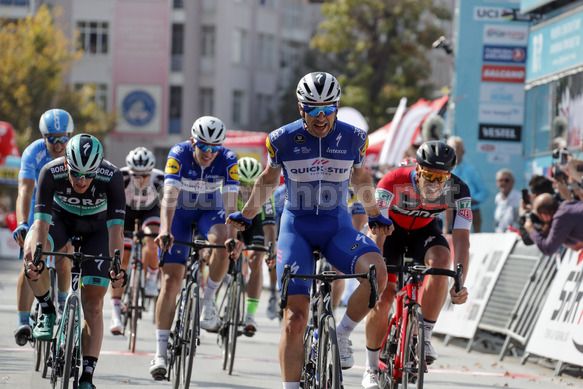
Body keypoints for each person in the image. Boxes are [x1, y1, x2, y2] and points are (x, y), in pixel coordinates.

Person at [227, 71, 392, 389]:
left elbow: (360, 178)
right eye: (313, 109)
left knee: (377, 274)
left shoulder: (354, 137)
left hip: (336, 226)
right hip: (297, 228)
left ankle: (342, 334)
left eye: (328, 109)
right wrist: (246, 216)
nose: (321, 117)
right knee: (295, 319)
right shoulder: (281, 139)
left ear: (337, 107)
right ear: (301, 108)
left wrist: (374, 214)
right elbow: (267, 181)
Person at [362, 141, 470, 388]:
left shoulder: (459, 189)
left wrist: (460, 280)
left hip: (424, 233)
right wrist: (376, 273)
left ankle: (425, 337)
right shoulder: (393, 180)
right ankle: (370, 368)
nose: (434, 183)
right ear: (418, 170)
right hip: (390, 233)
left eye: (441, 178)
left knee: (442, 262)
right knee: (385, 295)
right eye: (429, 176)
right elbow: (377, 233)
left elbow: (462, 239)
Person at [22, 134, 126, 389]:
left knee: (94, 305)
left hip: (98, 229)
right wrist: (36, 256)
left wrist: (117, 265)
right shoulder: (50, 171)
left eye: (88, 175)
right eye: (76, 173)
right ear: (66, 164)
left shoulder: (111, 177)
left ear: (97, 168)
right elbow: (41, 224)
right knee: (33, 253)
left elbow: (116, 231)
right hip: (60, 221)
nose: (81, 181)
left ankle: (87, 375)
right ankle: (47, 308)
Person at [149, 116, 243, 380]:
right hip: (179, 213)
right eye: (204, 147)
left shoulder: (228, 159)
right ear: (193, 142)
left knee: (222, 242)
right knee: (171, 281)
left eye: (215, 148)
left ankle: (209, 299)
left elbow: (231, 203)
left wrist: (233, 236)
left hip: (209, 211)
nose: (209, 153)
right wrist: (165, 230)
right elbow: (168, 197)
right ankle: (160, 352)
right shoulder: (178, 153)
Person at [12, 108, 74, 346]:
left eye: (63, 138)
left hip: (64, 210)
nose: (58, 145)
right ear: (43, 137)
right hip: (37, 208)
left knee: (65, 255)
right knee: (28, 262)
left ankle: (60, 301)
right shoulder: (33, 153)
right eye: (52, 139)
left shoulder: (74, 153)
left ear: (70, 135)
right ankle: (23, 321)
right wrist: (21, 223)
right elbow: (25, 191)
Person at [109, 147, 164, 335]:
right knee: (122, 258)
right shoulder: (120, 177)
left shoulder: (160, 179)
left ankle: (151, 275)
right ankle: (116, 313)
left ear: (151, 172)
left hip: (150, 211)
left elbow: (169, 206)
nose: (141, 179)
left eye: (145, 175)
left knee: (152, 238)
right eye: (136, 175)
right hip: (127, 212)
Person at [236, 157, 277, 335]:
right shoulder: (227, 190)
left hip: (255, 223)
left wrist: (271, 249)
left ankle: (250, 315)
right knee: (223, 252)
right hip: (233, 221)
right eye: (242, 184)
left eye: (251, 185)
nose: (246, 189)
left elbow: (269, 226)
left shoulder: (265, 194)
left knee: (256, 258)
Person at [447, 136, 488, 232]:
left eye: (458, 149)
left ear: (463, 152)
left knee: (475, 241)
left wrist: (473, 199)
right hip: (451, 211)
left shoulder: (471, 170)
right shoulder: (444, 170)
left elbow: (484, 191)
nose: (455, 152)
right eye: (452, 149)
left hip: (472, 210)